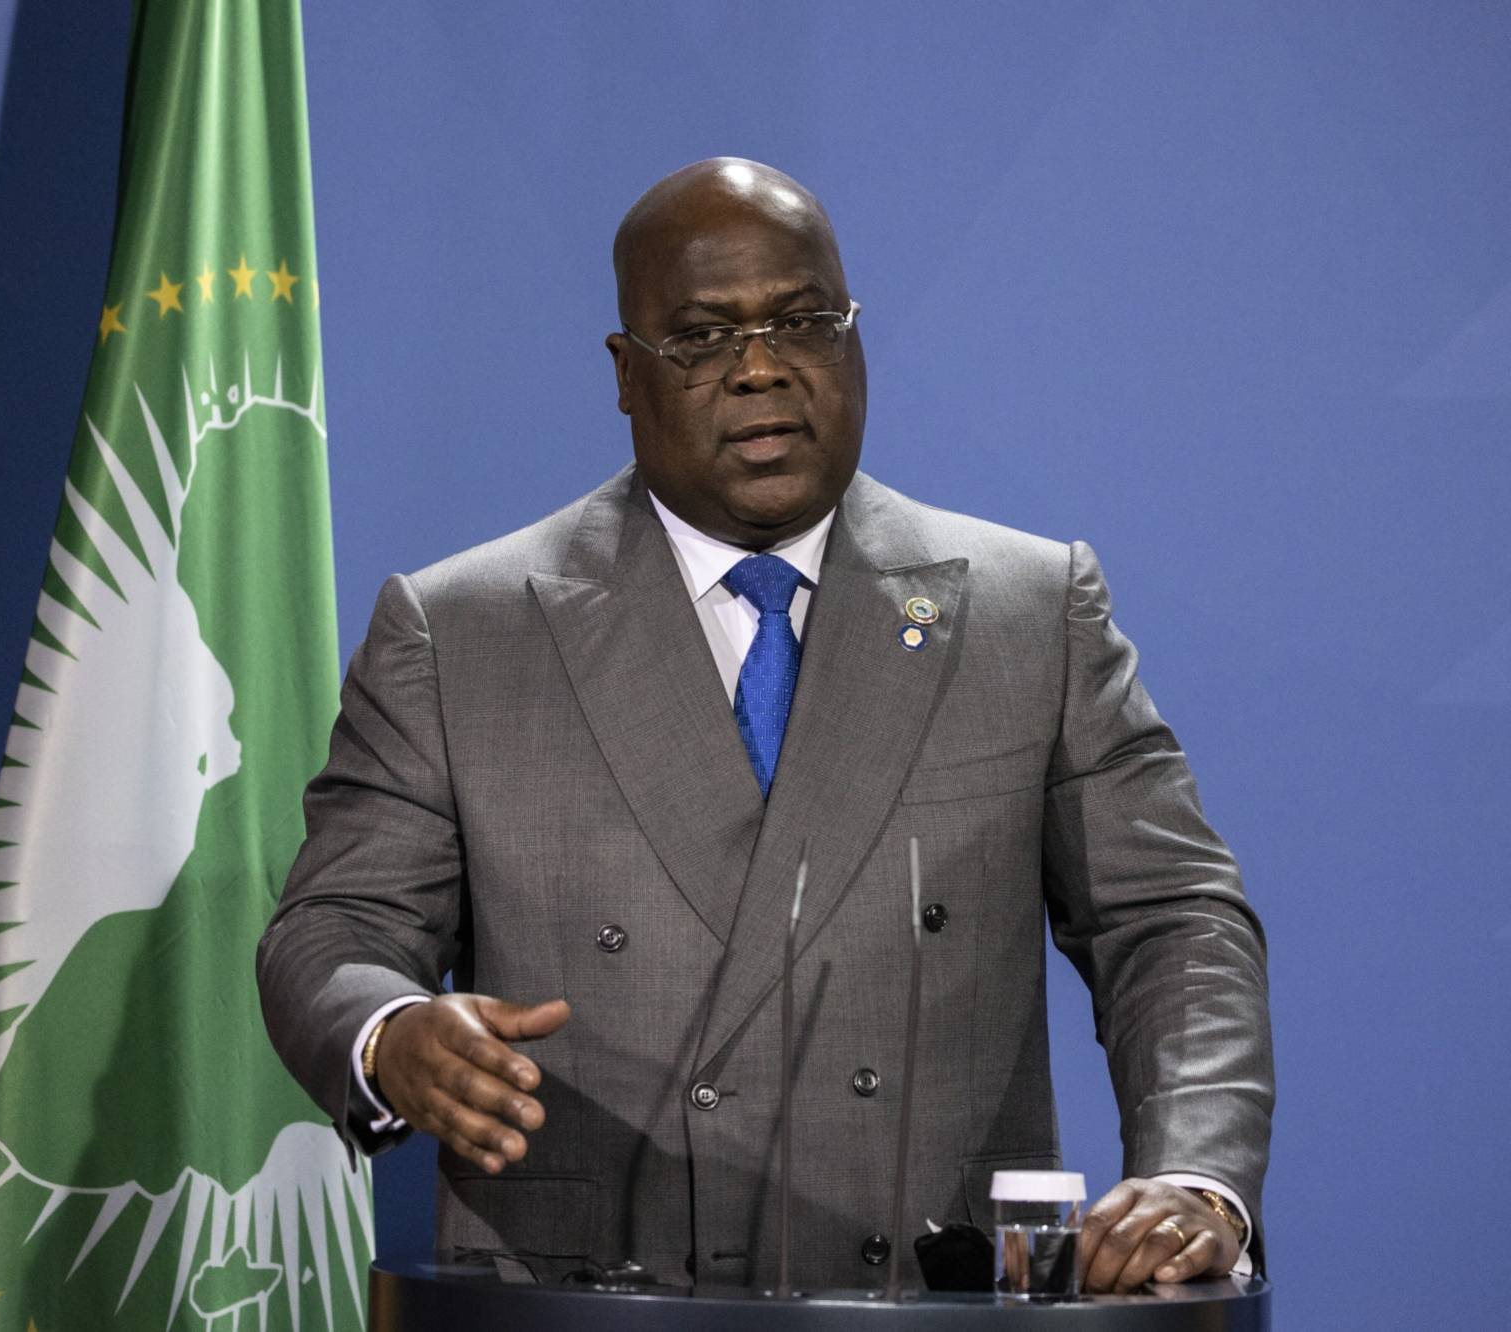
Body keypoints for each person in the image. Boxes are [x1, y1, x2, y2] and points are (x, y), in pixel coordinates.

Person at [257, 157, 1272, 1293]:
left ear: (852, 338)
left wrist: (1195, 1177)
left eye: (800, 322)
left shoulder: (1028, 610)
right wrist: (387, 1031)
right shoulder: (461, 631)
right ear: (624, 375)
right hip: (593, 1298)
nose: (758, 371)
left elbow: (1172, 923)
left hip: (933, 1295)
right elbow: (332, 930)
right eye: (699, 337)